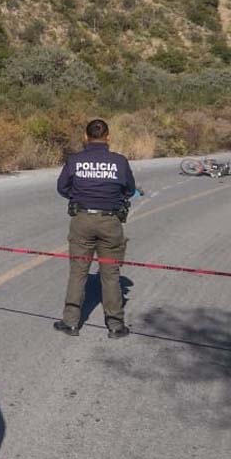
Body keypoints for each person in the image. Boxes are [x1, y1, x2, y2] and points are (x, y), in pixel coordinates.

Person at [54, 119, 137, 339]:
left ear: (85, 136)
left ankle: (71, 322)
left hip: (82, 220)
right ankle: (116, 326)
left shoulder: (75, 160)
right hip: (110, 222)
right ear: (108, 137)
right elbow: (129, 189)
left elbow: (62, 187)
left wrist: (79, 196)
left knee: (78, 273)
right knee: (111, 274)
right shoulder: (119, 162)